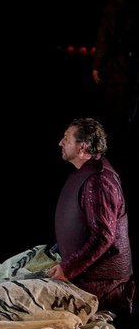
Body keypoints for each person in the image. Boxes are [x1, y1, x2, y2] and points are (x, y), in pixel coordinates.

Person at [49, 117, 135, 318]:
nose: (60, 142)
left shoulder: (98, 180)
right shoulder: (87, 175)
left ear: (82, 146)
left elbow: (103, 237)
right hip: (79, 276)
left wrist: (67, 269)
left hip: (101, 287)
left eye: (66, 138)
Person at [91, 0, 139, 166]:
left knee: (111, 122)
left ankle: (108, 165)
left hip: (119, 68)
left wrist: (98, 62)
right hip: (131, 69)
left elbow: (108, 24)